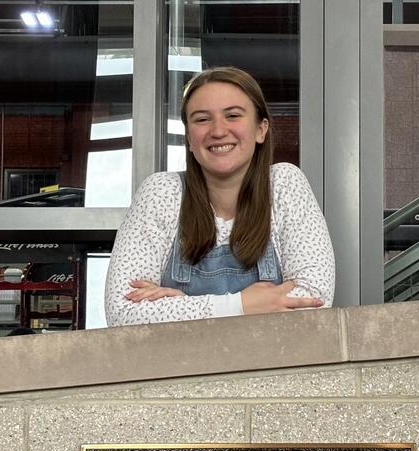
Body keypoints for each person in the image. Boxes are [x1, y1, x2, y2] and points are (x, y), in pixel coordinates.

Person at [105, 66, 335, 326]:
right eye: (202, 119)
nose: (218, 130)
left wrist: (183, 308)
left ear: (261, 129)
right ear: (189, 138)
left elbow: (314, 300)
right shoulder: (161, 192)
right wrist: (240, 305)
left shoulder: (284, 184)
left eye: (233, 115)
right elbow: (122, 313)